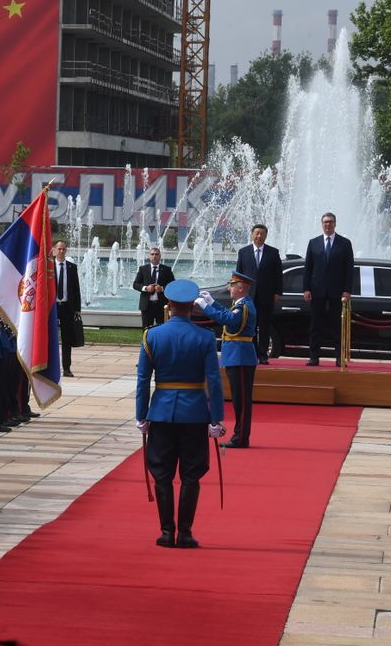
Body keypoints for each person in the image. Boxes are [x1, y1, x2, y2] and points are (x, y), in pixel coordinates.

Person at [135, 279, 225, 549]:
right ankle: (184, 533)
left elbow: (142, 380)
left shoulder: (151, 336)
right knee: (191, 473)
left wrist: (141, 415)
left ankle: (166, 532)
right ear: (192, 307)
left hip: (161, 412)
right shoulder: (205, 337)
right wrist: (216, 418)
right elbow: (215, 381)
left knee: (162, 473)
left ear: (169, 305)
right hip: (195, 413)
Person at [196, 271, 258, 448]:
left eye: (231, 285)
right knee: (238, 400)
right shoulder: (240, 305)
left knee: (242, 401)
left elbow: (228, 319)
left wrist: (205, 307)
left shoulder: (244, 306)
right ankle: (239, 436)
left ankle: (241, 438)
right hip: (236, 356)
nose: (228, 288)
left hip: (241, 357)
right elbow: (228, 314)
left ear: (240, 289)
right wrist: (212, 302)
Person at [302, 212, 354, 366]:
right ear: (321, 224)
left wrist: (347, 290)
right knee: (315, 326)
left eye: (330, 222)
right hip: (317, 291)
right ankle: (314, 357)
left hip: (337, 292)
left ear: (335, 224)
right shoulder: (313, 243)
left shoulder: (344, 243)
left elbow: (349, 269)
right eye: (325, 222)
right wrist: (306, 289)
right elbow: (308, 268)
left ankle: (339, 357)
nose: (328, 225)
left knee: (338, 326)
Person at [236, 224, 283, 363]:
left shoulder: (273, 253)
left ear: (266, 236)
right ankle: (251, 353)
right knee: (249, 325)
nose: (259, 236)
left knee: (264, 326)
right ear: (252, 234)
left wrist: (277, 292)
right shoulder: (243, 252)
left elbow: (278, 275)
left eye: (262, 234)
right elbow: (238, 275)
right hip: (248, 296)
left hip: (266, 295)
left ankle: (263, 354)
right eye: (257, 233)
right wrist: (238, 293)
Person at [53, 240, 80, 378]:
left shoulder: (71, 267)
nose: (61, 251)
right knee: (50, 338)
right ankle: (49, 367)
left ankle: (66, 368)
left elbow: (76, 289)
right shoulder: (48, 266)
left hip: (67, 308)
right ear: (54, 250)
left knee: (66, 339)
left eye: (63, 249)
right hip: (52, 308)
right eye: (59, 249)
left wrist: (77, 309)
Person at [132, 247, 175, 329]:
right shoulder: (143, 269)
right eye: (152, 254)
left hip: (161, 305)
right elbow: (135, 284)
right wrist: (145, 288)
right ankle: (146, 342)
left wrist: (162, 288)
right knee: (146, 329)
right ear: (149, 256)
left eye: (156, 254)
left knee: (163, 329)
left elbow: (172, 285)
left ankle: (162, 342)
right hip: (146, 306)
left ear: (160, 256)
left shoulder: (167, 269)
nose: (154, 256)